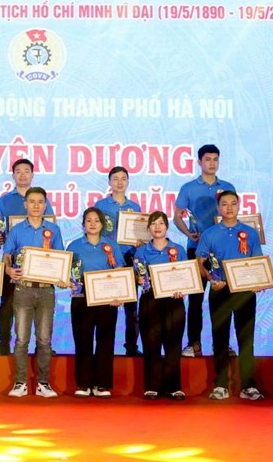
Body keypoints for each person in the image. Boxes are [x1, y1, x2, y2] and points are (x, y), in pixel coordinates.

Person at [196, 191, 265, 401]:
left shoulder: (250, 233)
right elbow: (200, 262)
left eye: (233, 204)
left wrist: (258, 282)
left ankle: (248, 386)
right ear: (219, 207)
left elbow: (257, 262)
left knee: (246, 339)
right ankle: (221, 385)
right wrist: (210, 279)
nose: (229, 208)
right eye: (224, 204)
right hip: (219, 289)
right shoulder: (209, 233)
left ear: (239, 206)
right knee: (220, 338)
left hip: (244, 291)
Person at [2, 187, 66, 399]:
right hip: (23, 290)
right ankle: (20, 382)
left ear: (45, 205)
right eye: (32, 202)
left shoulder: (53, 230)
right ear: (25, 205)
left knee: (45, 339)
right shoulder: (17, 230)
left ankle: (43, 383)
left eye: (40, 202)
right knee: (21, 339)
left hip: (46, 291)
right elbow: (6, 256)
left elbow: (60, 258)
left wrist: (62, 275)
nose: (36, 206)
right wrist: (8, 269)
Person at [173, 144, 236, 358]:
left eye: (215, 159)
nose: (212, 163)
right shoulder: (188, 188)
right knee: (196, 299)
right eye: (207, 159)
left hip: (223, 252)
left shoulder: (227, 186)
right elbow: (177, 216)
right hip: (196, 250)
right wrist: (189, 234)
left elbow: (232, 216)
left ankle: (222, 344)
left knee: (223, 299)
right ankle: (194, 343)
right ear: (199, 162)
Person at [0, 158, 55, 356]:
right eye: (18, 171)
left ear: (32, 174)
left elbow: (50, 228)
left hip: (40, 267)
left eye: (26, 171)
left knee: (41, 307)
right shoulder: (4, 200)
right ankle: (4, 343)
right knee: (7, 304)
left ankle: (42, 346)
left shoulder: (42, 200)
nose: (22, 175)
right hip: (14, 264)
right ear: (13, 175)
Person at [67, 207, 125, 398]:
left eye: (96, 221)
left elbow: (120, 271)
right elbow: (67, 272)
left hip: (107, 298)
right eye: (88, 220)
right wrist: (68, 281)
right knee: (82, 341)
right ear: (83, 225)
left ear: (102, 224)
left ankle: (102, 384)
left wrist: (119, 295)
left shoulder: (111, 245)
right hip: (81, 297)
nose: (92, 224)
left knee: (105, 341)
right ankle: (83, 384)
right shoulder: (74, 246)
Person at [132, 211, 187, 400]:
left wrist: (184, 288)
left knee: (173, 343)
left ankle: (174, 386)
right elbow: (139, 275)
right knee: (151, 343)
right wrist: (140, 279)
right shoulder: (141, 251)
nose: (157, 227)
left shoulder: (178, 250)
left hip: (174, 301)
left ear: (167, 227)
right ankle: (152, 386)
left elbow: (186, 275)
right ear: (148, 228)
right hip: (150, 300)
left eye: (161, 223)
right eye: (154, 224)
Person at [94, 166, 143, 357]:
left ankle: (131, 346)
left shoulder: (135, 207)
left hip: (130, 258)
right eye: (115, 179)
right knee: (107, 307)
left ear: (128, 182)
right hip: (108, 261)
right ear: (109, 182)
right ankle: (104, 348)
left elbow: (140, 233)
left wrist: (140, 240)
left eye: (123, 178)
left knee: (132, 308)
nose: (120, 182)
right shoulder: (101, 205)